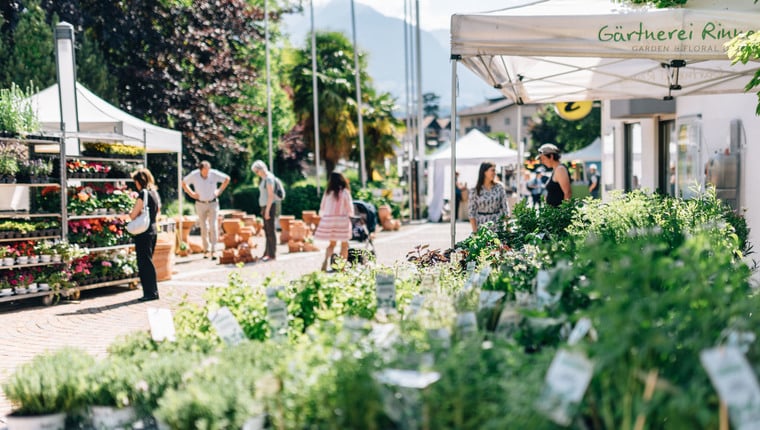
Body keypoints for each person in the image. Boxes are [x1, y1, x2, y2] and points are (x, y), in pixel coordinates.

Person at [181, 161, 230, 260]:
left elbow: (227, 179)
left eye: (208, 170)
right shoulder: (194, 175)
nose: (207, 173)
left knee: (213, 225)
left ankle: (214, 250)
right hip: (200, 203)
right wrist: (192, 194)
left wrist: (219, 191)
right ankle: (206, 250)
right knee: (204, 227)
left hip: (213, 203)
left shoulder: (214, 173)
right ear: (201, 170)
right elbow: (183, 183)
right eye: (205, 171)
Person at [130, 168, 161, 302]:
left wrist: (129, 215)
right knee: (148, 261)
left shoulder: (143, 193)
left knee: (144, 262)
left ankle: (150, 293)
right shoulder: (154, 193)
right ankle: (152, 291)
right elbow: (158, 210)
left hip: (144, 232)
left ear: (139, 181)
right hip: (153, 229)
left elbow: (133, 214)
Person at [314, 172, 354, 271]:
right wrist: (351, 215)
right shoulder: (345, 192)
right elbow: (350, 208)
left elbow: (322, 207)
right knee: (344, 245)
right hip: (342, 221)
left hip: (329, 221)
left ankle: (325, 261)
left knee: (332, 244)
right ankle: (342, 267)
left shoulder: (328, 193)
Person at [467, 161, 510, 233]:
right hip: (482, 226)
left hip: (498, 225)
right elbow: (471, 212)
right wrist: (474, 231)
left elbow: (505, 208)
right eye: (492, 170)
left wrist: (508, 227)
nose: (495, 173)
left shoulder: (499, 187)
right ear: (484, 172)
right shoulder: (474, 190)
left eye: (495, 170)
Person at [251, 160, 279, 261]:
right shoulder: (264, 178)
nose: (256, 174)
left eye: (257, 171)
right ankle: (267, 252)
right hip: (265, 207)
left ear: (261, 169)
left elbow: (271, 196)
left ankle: (272, 254)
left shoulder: (269, 179)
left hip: (269, 207)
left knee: (270, 231)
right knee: (267, 231)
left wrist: (267, 211)